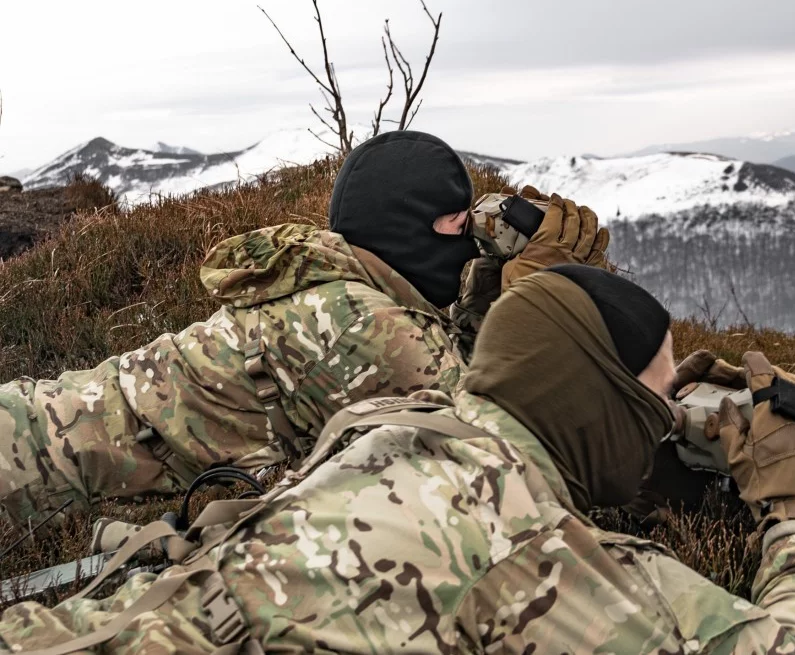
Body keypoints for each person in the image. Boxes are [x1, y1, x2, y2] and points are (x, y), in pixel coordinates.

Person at [0, 265, 795, 654]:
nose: (666, 420)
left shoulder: (389, 421)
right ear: (604, 406)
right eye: (659, 397)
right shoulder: (532, 558)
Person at [0, 130, 612, 525]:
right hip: (27, 460)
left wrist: (485, 292)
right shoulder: (363, 327)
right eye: (456, 224)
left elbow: (453, 371)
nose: (468, 242)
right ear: (407, 226)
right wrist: (535, 297)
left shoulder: (336, 278)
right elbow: (500, 448)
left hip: (36, 423)